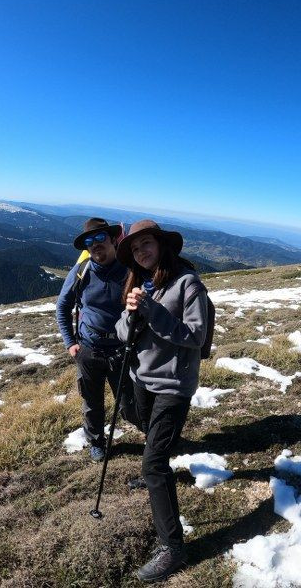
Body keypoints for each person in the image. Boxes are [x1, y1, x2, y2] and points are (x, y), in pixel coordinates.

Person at [115, 219, 209, 583]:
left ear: (162, 246)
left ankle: (173, 548)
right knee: (142, 424)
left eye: (147, 245)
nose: (141, 252)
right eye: (136, 249)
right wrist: (131, 313)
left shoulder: (188, 284)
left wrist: (153, 312)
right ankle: (157, 465)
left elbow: (195, 336)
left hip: (173, 384)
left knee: (153, 464)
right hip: (143, 377)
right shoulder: (141, 283)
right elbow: (125, 333)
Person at [56, 217, 135, 462]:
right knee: (92, 403)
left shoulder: (130, 270)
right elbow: (62, 307)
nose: (95, 244)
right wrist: (71, 344)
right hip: (89, 349)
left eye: (100, 238)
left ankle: (148, 435)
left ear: (113, 239)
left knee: (129, 403)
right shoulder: (82, 271)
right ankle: (97, 442)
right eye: (89, 241)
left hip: (122, 350)